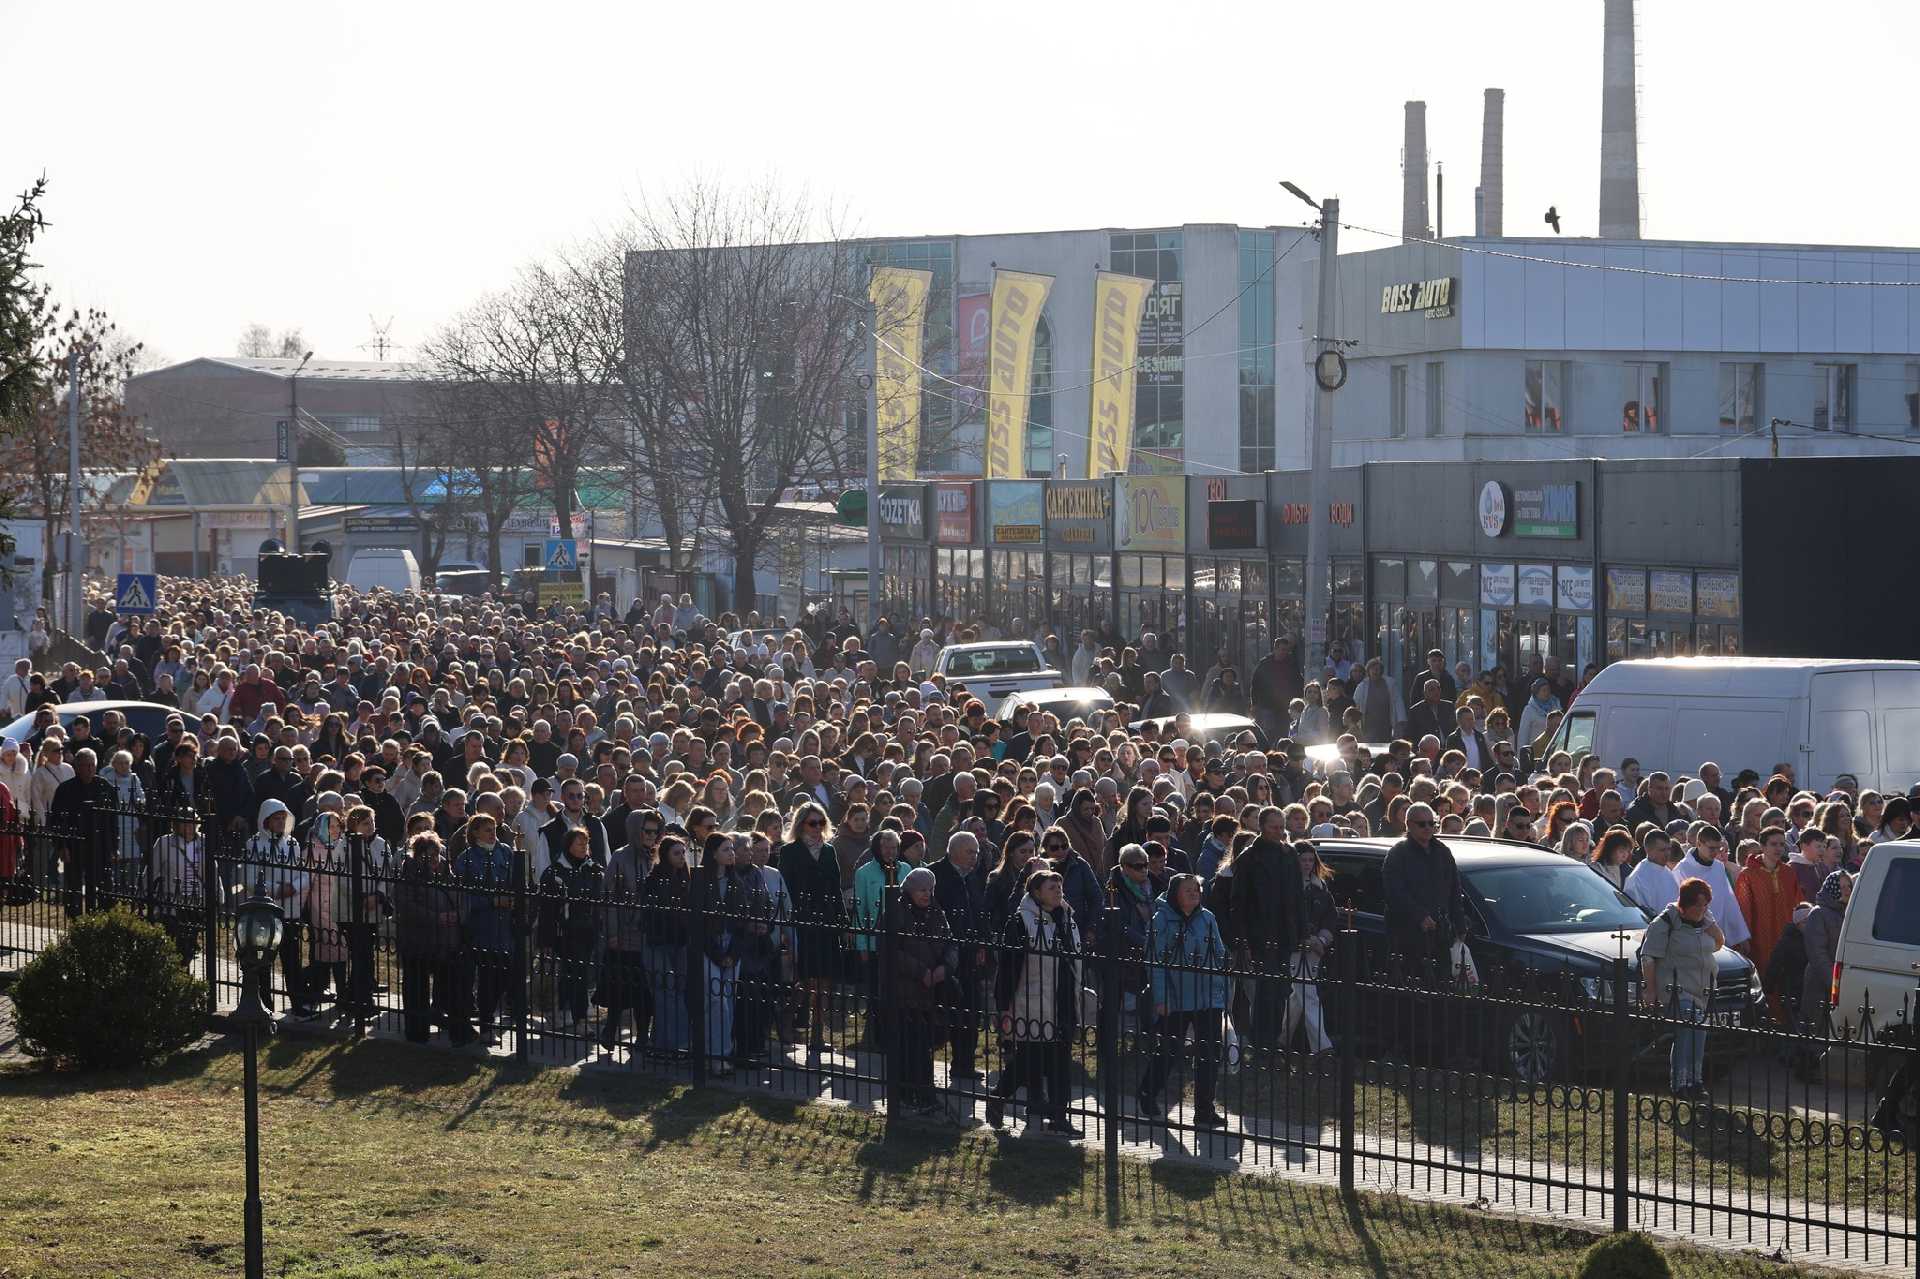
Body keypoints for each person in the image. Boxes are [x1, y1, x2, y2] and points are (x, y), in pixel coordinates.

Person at [989, 867, 1083, 1137]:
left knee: (1060, 1061)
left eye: (1059, 886)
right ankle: (998, 1097)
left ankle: (1058, 1117)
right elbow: (1009, 967)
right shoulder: (1021, 922)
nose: (1058, 891)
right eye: (1051, 887)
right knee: (1029, 1059)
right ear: (1036, 892)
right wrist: (1004, 1005)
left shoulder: (1067, 918)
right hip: (1034, 1001)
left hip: (1064, 998)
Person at [1137, 872, 1228, 1126]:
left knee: (1209, 1053)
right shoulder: (1161, 920)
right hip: (1175, 997)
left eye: (1196, 889)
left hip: (1208, 996)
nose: (1193, 893)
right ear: (1175, 894)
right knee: (1169, 1049)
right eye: (1187, 890)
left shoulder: (1207, 918)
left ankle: (1204, 1109)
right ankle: (1148, 1092)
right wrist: (1161, 998)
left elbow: (1220, 953)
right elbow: (1154, 962)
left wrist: (1222, 990)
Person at [1639, 877, 1724, 1101]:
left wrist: (1709, 923)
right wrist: (1650, 990)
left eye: (1705, 905)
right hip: (1676, 989)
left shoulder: (1705, 919)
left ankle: (1696, 1080)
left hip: (1701, 988)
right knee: (1686, 1030)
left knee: (1699, 1032)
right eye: (1697, 905)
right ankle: (1679, 1083)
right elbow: (1648, 957)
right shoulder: (1664, 923)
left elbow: (1719, 942)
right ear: (1684, 904)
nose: (1702, 909)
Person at [1229, 805, 1305, 1050]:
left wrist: (1301, 931)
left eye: (1282, 827)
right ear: (1262, 827)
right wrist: (1243, 939)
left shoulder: (1289, 854)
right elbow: (1239, 902)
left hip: (1284, 931)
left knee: (1281, 989)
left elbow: (1298, 895)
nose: (1279, 832)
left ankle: (1273, 1040)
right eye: (1274, 827)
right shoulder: (1249, 858)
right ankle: (1262, 1041)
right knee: (1265, 990)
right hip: (1260, 932)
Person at [887, 865, 956, 1114]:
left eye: (929, 889)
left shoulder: (937, 912)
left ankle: (925, 1093)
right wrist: (920, 971)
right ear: (909, 890)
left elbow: (951, 944)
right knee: (910, 1045)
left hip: (931, 991)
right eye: (921, 890)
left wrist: (945, 968)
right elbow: (891, 951)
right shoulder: (896, 912)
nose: (926, 894)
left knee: (926, 1043)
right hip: (906, 990)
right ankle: (910, 1094)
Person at [778, 802, 843, 1062]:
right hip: (802, 920)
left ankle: (818, 1034)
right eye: (812, 823)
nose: (817, 828)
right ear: (801, 825)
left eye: (821, 823)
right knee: (805, 978)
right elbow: (786, 886)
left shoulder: (828, 851)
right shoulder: (790, 851)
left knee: (825, 981)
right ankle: (787, 1017)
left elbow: (836, 886)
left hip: (826, 921)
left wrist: (842, 920)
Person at [395, 832, 465, 1045]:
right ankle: (417, 1031)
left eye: (435, 855)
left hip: (444, 940)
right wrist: (436, 917)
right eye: (427, 856)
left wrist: (455, 915)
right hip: (417, 940)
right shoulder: (409, 873)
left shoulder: (446, 871)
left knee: (450, 985)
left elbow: (458, 896)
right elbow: (406, 905)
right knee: (417, 988)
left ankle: (453, 1027)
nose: (433, 861)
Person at [538, 826, 606, 1036]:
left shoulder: (594, 869)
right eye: (579, 843)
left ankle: (566, 1012)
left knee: (577, 974)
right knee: (577, 974)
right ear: (568, 845)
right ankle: (580, 1019)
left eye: (586, 842)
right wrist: (546, 940)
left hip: (590, 930)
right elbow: (547, 910)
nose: (584, 846)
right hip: (566, 932)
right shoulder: (555, 872)